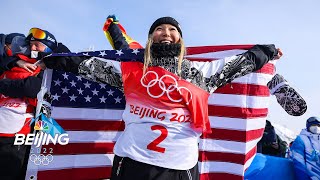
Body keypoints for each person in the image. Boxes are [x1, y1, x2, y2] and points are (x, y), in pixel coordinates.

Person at [42, 16, 282, 180]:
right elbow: (90, 66)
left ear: (180, 38)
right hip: (131, 162)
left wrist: (267, 51)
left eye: (172, 30)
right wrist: (55, 60)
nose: (165, 33)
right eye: (159, 29)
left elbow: (241, 64)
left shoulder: (201, 73)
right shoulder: (132, 72)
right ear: (150, 38)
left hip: (179, 167)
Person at [0, 28, 70, 180]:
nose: (32, 48)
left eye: (37, 45)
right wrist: (13, 61)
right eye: (30, 44)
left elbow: (31, 88)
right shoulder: (16, 62)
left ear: (49, 48)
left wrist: (3, 83)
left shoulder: (49, 69)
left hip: (19, 138)